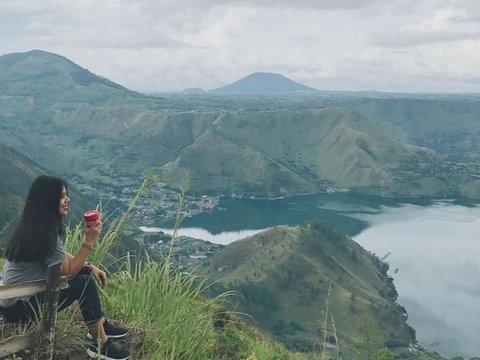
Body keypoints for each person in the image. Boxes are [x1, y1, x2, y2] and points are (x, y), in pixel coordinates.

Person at [0, 175, 130, 360]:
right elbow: (69, 271)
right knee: (84, 284)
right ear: (48, 201)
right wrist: (89, 242)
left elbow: (62, 258)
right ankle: (100, 345)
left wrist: (90, 267)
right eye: (62, 196)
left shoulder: (37, 226)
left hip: (12, 304)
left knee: (84, 273)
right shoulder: (45, 233)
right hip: (20, 309)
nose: (68, 199)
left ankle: (99, 323)